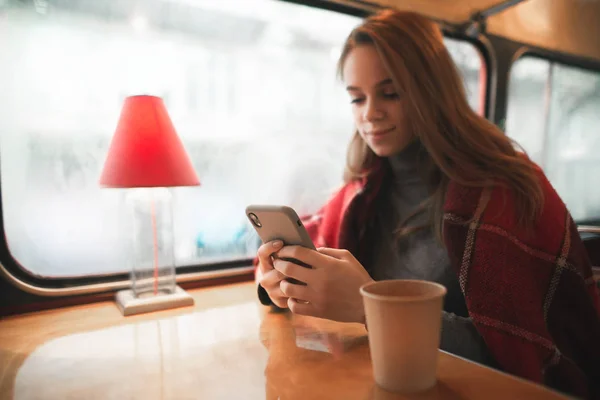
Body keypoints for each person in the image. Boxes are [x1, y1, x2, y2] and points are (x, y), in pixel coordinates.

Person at [254, 9, 600, 399]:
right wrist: (278, 282)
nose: (370, 114)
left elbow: (516, 354)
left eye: (390, 93)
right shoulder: (361, 191)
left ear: (430, 90)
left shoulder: (505, 191)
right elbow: (311, 248)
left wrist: (371, 308)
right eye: (356, 98)